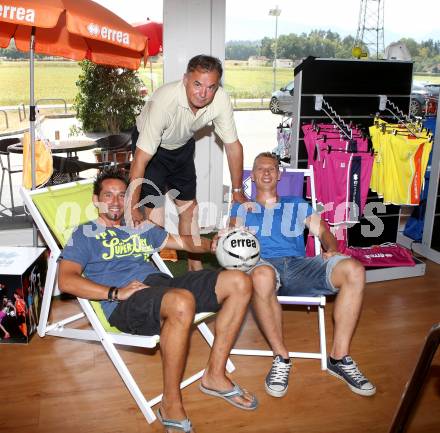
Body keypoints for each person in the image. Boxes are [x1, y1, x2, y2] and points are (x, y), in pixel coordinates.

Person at [58, 169, 257, 433]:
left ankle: (215, 375)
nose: (116, 202)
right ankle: (170, 402)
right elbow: (66, 280)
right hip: (125, 304)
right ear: (96, 200)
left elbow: (183, 242)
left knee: (239, 282)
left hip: (160, 287)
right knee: (181, 301)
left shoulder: (138, 226)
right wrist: (115, 292)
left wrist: (211, 244)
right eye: (108, 195)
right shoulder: (84, 234)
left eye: (121, 195)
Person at [229, 152, 376, 398]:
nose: (266, 172)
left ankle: (339, 358)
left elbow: (323, 230)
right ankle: (282, 358)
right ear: (252, 177)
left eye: (272, 168)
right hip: (262, 266)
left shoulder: (297, 203)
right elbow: (232, 241)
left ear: (279, 175)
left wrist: (332, 249)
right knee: (262, 275)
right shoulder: (240, 207)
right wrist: (234, 235)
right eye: (260, 169)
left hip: (299, 266)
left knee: (354, 269)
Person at [128, 54, 247, 272]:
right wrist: (133, 206)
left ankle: (194, 264)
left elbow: (233, 146)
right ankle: (153, 269)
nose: (203, 94)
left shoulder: (220, 100)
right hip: (151, 150)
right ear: (185, 79)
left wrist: (237, 190)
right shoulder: (164, 102)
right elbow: (140, 159)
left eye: (211, 87)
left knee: (189, 209)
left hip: (181, 146)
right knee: (154, 210)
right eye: (197, 84)